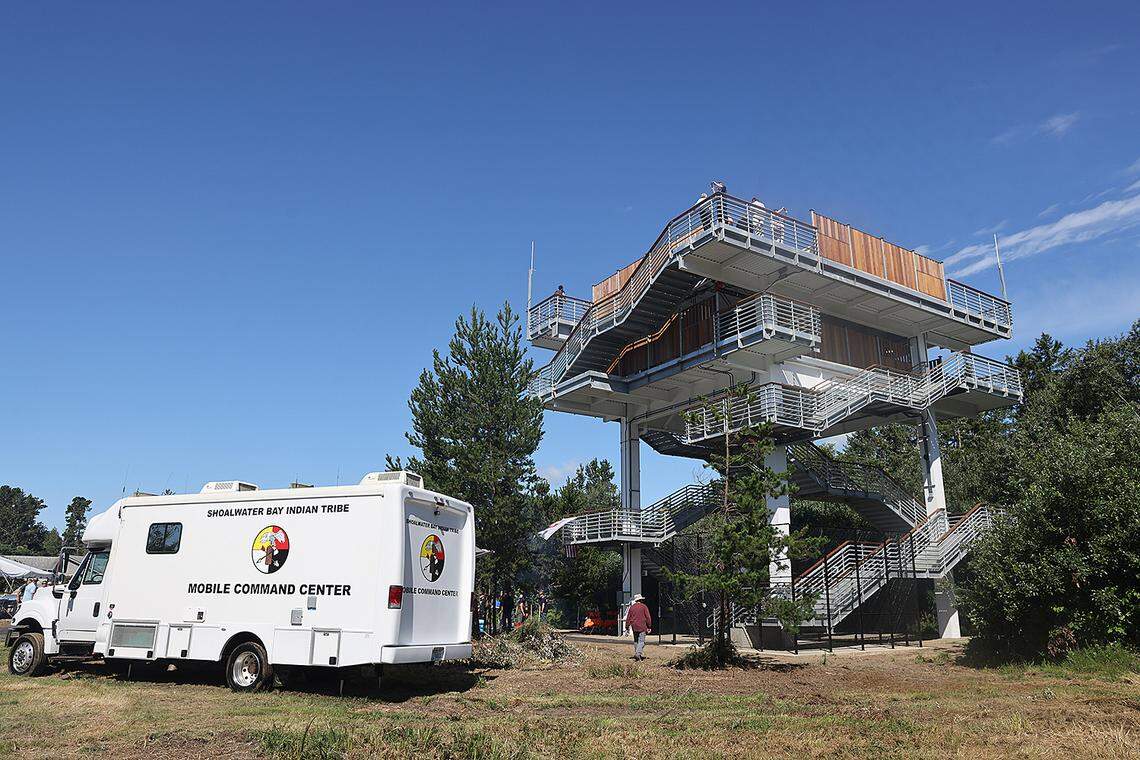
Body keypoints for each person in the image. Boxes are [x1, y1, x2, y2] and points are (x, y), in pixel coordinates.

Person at [625, 594, 652, 661]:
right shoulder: (644, 607)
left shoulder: (632, 607)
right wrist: (649, 626)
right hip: (642, 626)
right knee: (641, 641)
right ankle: (638, 653)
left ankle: (638, 656)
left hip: (634, 626)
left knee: (636, 641)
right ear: (641, 600)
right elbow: (648, 617)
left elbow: (628, 618)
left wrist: (627, 626)